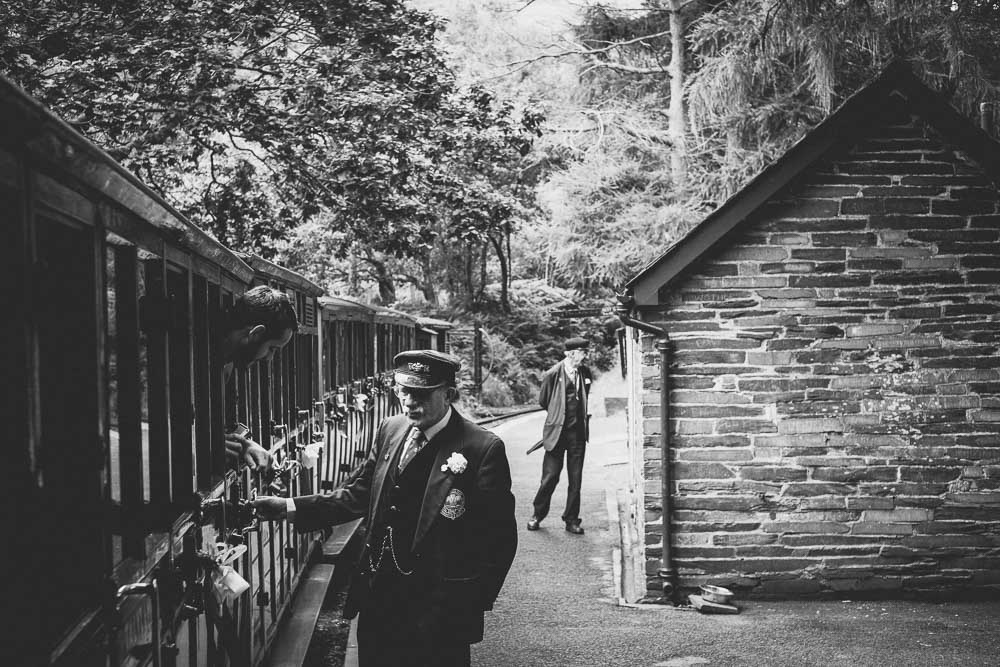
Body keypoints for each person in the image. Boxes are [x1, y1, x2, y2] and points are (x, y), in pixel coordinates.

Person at [254, 350, 517, 667]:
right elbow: (360, 494)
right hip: (378, 596)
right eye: (404, 391)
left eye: (421, 394)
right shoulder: (391, 429)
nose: (409, 402)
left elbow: (499, 538)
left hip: (440, 610)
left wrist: (471, 600)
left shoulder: (481, 448)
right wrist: (289, 507)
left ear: (449, 395)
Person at [220, 285, 299, 470]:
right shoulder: (192, 360)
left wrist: (244, 445)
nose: (269, 359)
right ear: (256, 333)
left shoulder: (228, 364)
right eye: (271, 348)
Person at [527, 336, 592, 535]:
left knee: (576, 480)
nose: (586, 356)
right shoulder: (553, 374)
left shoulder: (585, 372)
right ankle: (537, 515)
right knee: (550, 477)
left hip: (578, 434)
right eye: (583, 352)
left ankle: (571, 520)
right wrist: (558, 415)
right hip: (557, 433)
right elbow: (544, 400)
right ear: (571, 354)